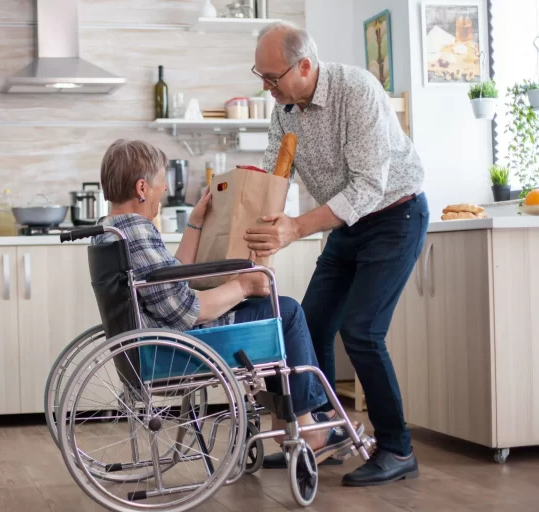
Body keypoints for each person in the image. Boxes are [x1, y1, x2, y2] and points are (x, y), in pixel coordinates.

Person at [91, 138, 364, 464]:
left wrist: (195, 223)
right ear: (142, 187)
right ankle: (308, 428)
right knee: (286, 312)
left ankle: (292, 422)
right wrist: (244, 286)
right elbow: (188, 312)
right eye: (161, 180)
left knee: (268, 314)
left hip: (149, 346)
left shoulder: (112, 231)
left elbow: (169, 280)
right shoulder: (138, 231)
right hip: (174, 350)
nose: (164, 188)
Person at [244, 21, 428, 486]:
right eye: (261, 78)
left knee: (362, 331)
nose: (266, 89)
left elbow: (370, 186)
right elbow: (272, 175)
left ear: (305, 66)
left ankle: (396, 447)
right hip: (346, 225)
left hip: (393, 215)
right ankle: (327, 431)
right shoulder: (286, 109)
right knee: (312, 323)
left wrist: (297, 228)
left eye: (273, 78)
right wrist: (243, 215)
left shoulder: (357, 91)